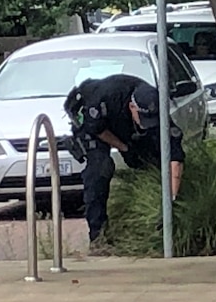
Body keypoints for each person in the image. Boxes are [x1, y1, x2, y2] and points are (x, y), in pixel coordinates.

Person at [63, 74, 185, 251]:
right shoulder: (104, 98)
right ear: (132, 107)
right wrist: (124, 147)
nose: (146, 125)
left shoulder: (157, 108)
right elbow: (97, 129)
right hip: (97, 127)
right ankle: (99, 237)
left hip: (124, 127)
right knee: (100, 168)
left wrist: (171, 200)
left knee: (150, 160)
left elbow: (175, 157)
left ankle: (151, 216)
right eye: (143, 120)